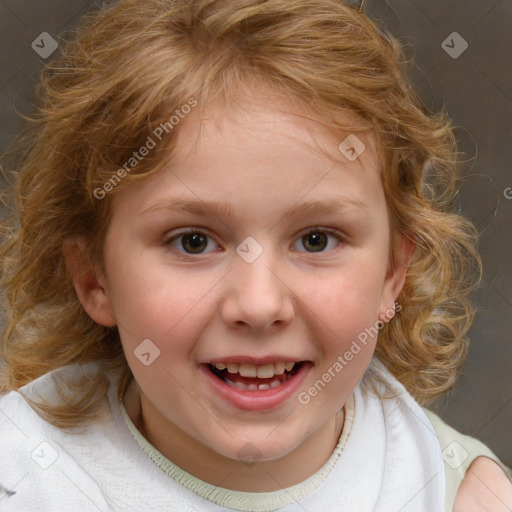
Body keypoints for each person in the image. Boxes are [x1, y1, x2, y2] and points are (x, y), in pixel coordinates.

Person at [0, 0, 511, 510]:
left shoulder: (452, 492)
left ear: (391, 276)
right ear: (95, 280)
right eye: (193, 242)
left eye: (316, 240)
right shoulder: (27, 478)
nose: (260, 305)